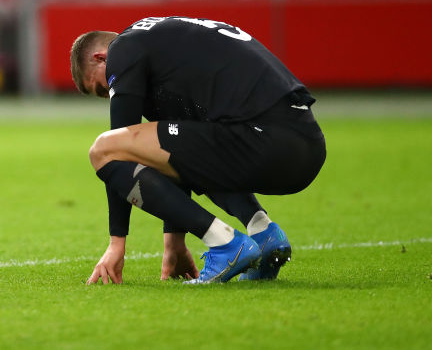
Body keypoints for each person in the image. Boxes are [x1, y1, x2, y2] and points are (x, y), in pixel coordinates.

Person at [70, 16, 326, 284]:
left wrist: (117, 242)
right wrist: (174, 243)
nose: (109, 93)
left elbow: (119, 146)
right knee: (176, 141)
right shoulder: (159, 40)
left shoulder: (123, 48)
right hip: (304, 144)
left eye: (101, 88)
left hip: (264, 136)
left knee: (103, 149)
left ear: (101, 58)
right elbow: (176, 152)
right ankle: (263, 233)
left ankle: (225, 244)